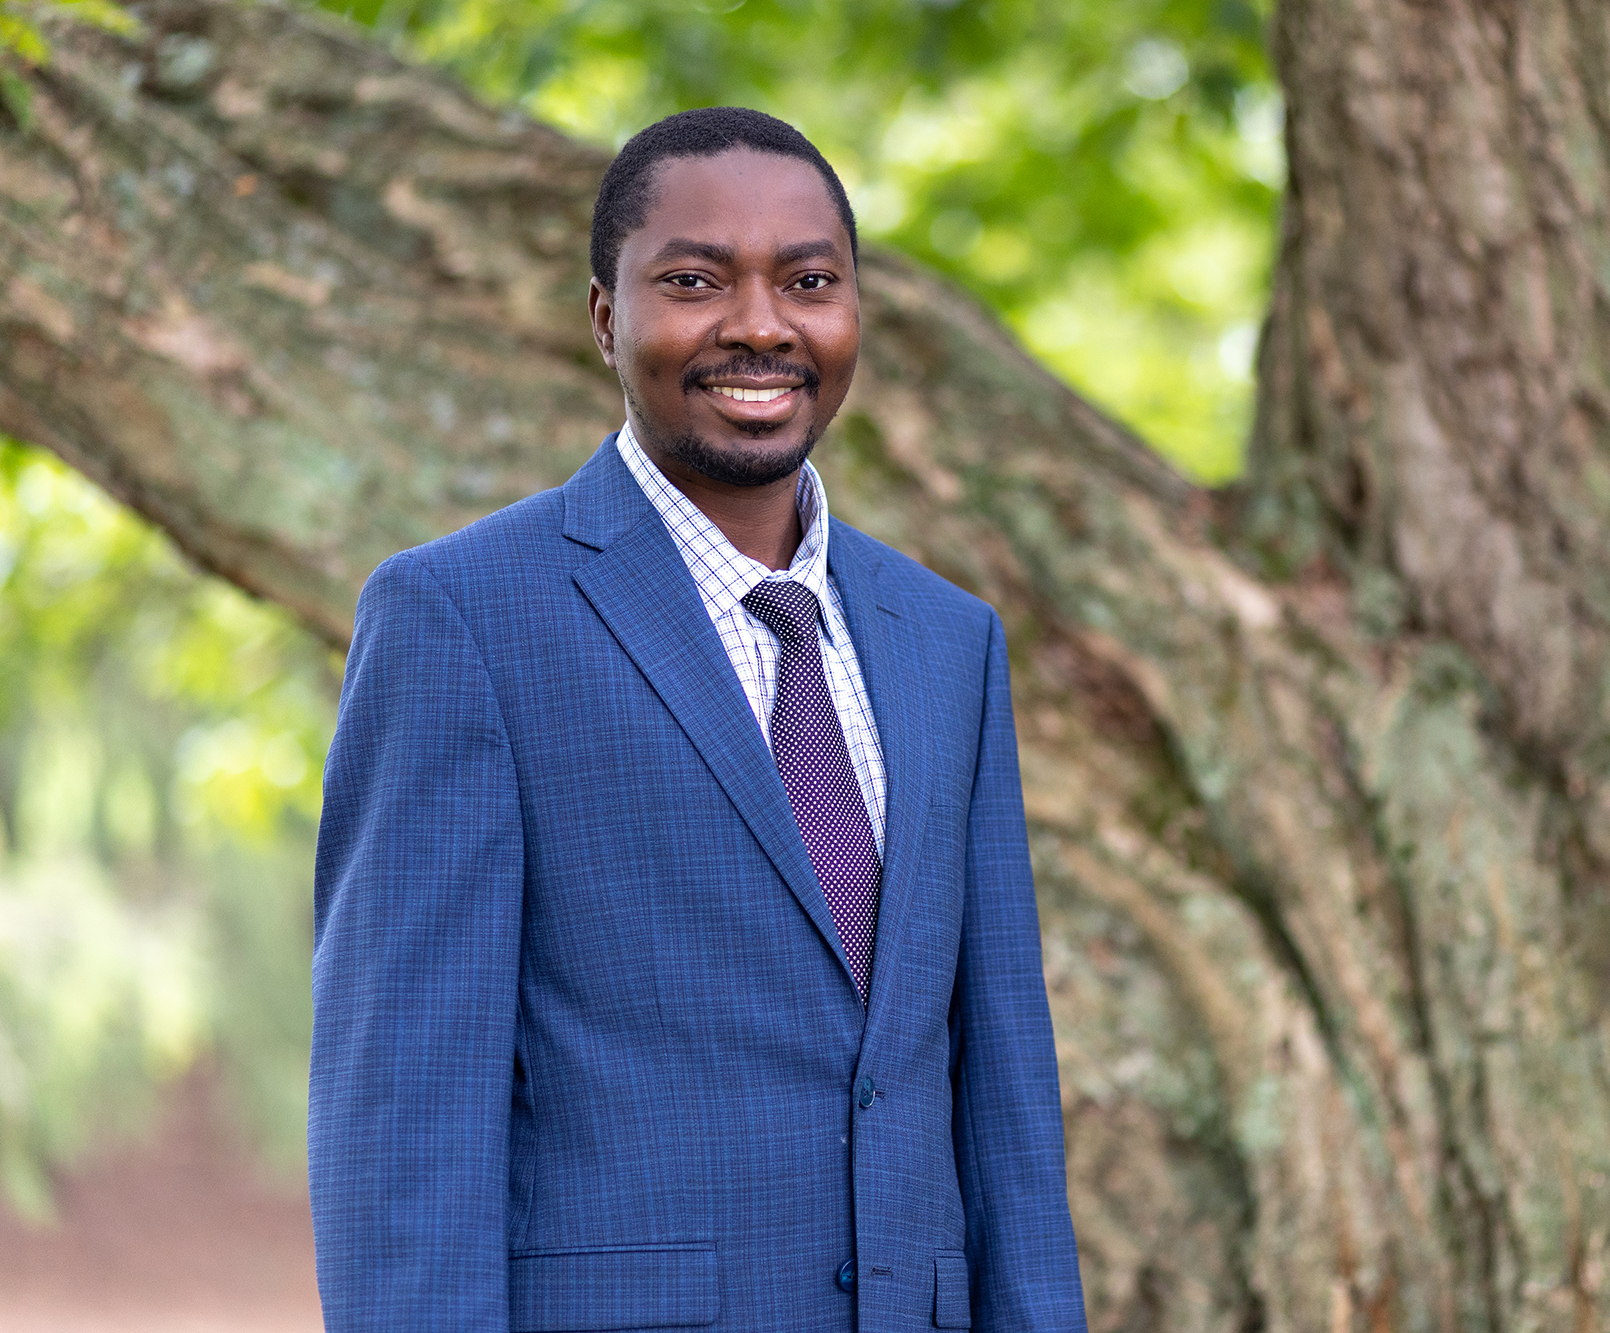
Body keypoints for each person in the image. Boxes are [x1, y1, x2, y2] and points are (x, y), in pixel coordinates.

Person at [308, 106, 1087, 1333]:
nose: (761, 324)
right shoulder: (461, 618)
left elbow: (1002, 1095)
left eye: (809, 281)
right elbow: (403, 1112)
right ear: (607, 317)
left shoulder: (949, 640)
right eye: (693, 280)